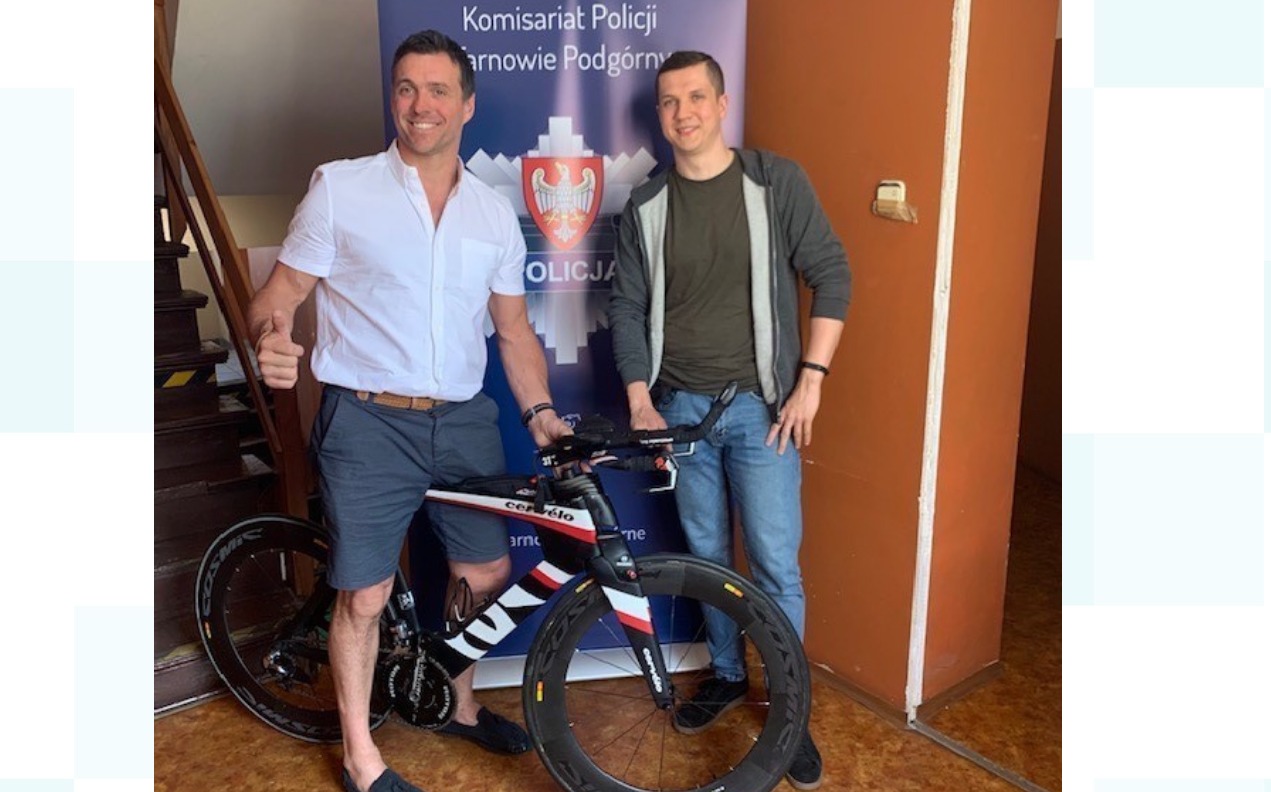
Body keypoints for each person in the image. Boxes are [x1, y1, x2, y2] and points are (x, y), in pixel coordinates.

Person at [247, 29, 573, 792]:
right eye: (405, 88)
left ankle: (458, 704)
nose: (419, 104)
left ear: (467, 105)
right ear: (392, 98)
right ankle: (361, 758)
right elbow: (277, 298)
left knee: (485, 571)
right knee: (364, 594)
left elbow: (514, 332)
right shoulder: (341, 189)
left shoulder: (493, 214)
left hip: (462, 419)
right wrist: (269, 338)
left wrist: (540, 415)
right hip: (367, 420)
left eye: (437, 90)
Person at [607, 50, 851, 791]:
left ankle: (787, 711)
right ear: (660, 115)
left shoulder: (775, 183)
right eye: (669, 101)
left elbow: (832, 274)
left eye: (695, 97)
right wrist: (640, 400)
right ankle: (725, 674)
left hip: (761, 412)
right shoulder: (646, 207)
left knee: (774, 563)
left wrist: (811, 382)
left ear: (721, 104)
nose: (682, 112)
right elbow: (626, 308)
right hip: (680, 412)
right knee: (707, 558)